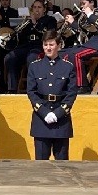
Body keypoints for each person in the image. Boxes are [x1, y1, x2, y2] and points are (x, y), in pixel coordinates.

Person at [27, 31, 77, 160]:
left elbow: (71, 93)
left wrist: (58, 113)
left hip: (61, 121)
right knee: (41, 164)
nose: (48, 48)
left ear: (59, 46)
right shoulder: (34, 66)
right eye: (45, 44)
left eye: (51, 44)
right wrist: (44, 112)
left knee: (62, 165)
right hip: (41, 121)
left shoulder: (68, 67)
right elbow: (31, 92)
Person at [3, 0, 57, 92]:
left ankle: (33, 88)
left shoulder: (50, 20)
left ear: (44, 9)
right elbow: (21, 38)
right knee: (9, 57)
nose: (37, 9)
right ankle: (12, 89)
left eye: (39, 7)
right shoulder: (27, 22)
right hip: (26, 47)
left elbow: (48, 35)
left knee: (31, 58)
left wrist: (35, 23)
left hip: (39, 47)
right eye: (35, 7)